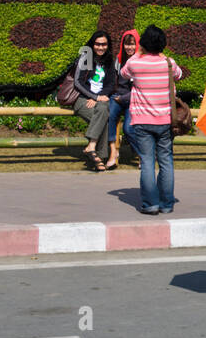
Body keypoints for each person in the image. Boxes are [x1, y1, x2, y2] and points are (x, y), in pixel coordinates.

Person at [120, 24, 183, 214]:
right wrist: (164, 57)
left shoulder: (135, 63)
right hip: (165, 120)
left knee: (147, 162)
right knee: (166, 161)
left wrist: (138, 54)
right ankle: (166, 204)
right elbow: (179, 75)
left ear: (143, 43)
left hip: (142, 120)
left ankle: (150, 204)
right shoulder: (168, 63)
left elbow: (123, 74)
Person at [73, 31, 116, 172]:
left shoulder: (110, 61)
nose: (101, 47)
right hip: (82, 99)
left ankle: (93, 150)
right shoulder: (85, 57)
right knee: (104, 118)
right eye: (97, 44)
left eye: (104, 44)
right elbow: (77, 82)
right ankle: (99, 157)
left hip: (101, 100)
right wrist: (94, 97)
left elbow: (110, 84)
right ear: (92, 44)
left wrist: (100, 96)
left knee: (103, 111)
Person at [104, 29, 139, 170]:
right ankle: (113, 152)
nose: (129, 47)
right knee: (110, 116)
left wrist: (123, 98)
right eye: (126, 44)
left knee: (128, 128)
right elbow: (112, 82)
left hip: (133, 98)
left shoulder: (140, 62)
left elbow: (139, 88)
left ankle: (142, 154)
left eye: (132, 44)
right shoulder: (117, 60)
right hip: (117, 96)